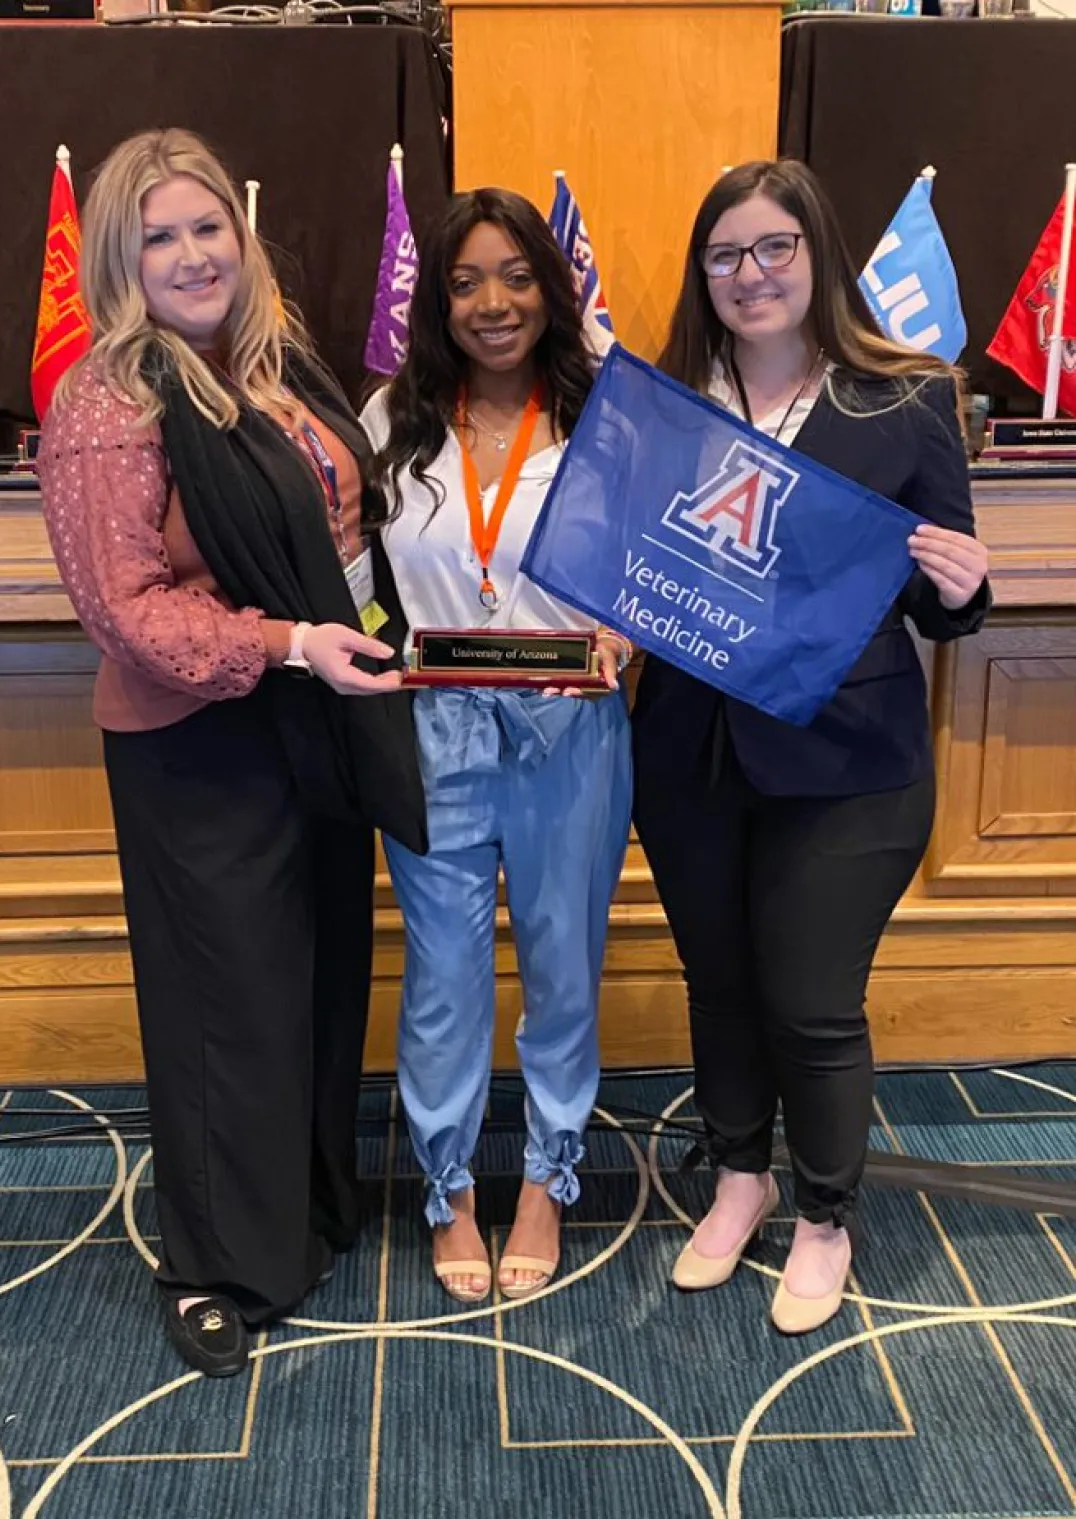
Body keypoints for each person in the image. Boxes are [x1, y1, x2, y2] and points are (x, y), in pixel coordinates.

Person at [37, 128, 426, 1377]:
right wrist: (290, 639)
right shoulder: (112, 398)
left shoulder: (274, 366)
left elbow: (343, 531)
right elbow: (126, 609)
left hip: (312, 710)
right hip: (199, 738)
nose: (194, 254)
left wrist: (359, 635)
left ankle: (304, 1209)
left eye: (210, 227)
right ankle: (212, 1261)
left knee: (312, 984)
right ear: (119, 259)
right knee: (225, 1009)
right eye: (160, 235)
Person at [632, 160, 990, 1335]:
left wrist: (967, 585)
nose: (751, 274)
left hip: (849, 762)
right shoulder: (664, 402)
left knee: (810, 996)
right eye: (726, 254)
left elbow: (943, 603)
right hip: (691, 750)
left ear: (818, 255)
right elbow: (639, 571)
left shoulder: (905, 398)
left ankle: (826, 1216)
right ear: (704, 274)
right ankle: (742, 1178)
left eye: (774, 246)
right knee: (720, 981)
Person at [360, 188, 633, 1303]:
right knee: (443, 979)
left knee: (563, 962)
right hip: (436, 730)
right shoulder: (388, 418)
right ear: (438, 298)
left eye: (516, 275)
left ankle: (546, 1178)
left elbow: (652, 575)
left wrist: (631, 636)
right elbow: (357, 582)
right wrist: (378, 652)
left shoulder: (606, 417)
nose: (493, 301)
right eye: (468, 279)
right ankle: (451, 1189)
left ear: (550, 288)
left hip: (572, 727)